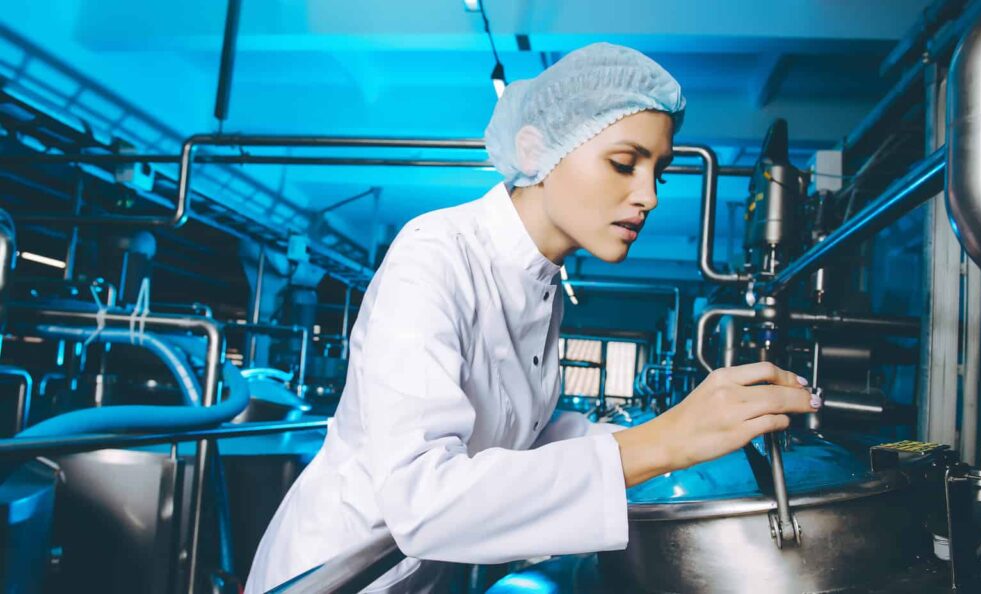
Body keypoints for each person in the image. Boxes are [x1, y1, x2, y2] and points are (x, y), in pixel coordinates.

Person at [245, 42, 818, 593]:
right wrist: (663, 444)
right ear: (534, 151)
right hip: (330, 575)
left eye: (658, 172)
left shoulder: (542, 284)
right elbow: (423, 499)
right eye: (624, 164)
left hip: (410, 577)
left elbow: (522, 432)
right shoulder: (435, 253)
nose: (649, 196)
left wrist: (694, 439)